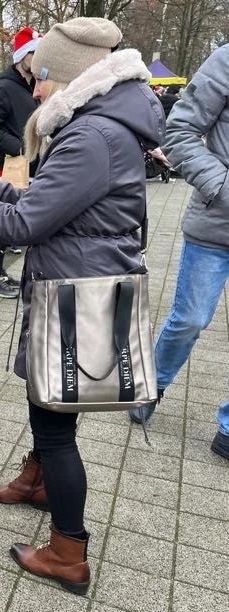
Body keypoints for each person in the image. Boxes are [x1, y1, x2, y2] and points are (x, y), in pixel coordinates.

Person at [0, 18, 164, 595]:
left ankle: (68, 550)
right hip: (81, 282)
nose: (34, 91)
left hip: (78, 293)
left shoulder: (92, 136)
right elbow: (51, 202)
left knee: (54, 425)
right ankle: (37, 483)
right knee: (51, 411)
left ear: (71, 77)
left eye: (42, 79)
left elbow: (27, 222)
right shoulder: (103, 124)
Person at [130, 45, 229, 460]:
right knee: (189, 318)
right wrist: (222, 187)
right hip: (216, 223)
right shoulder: (225, 60)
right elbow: (180, 132)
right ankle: (151, 384)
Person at [0, 26, 42, 299]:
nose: (39, 58)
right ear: (22, 56)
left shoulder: (32, 85)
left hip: (29, 166)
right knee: (2, 223)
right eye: (34, 53)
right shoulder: (4, 87)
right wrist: (20, 146)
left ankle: (2, 273)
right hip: (7, 165)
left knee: (17, 221)